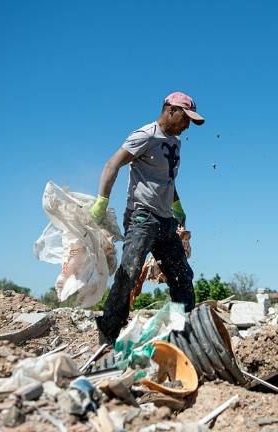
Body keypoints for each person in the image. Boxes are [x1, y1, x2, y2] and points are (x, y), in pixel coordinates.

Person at [89, 91, 205, 345]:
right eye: (186, 119)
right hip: (142, 217)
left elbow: (167, 179)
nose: (187, 126)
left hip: (166, 221)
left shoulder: (175, 143)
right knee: (129, 272)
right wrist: (102, 201)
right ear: (171, 110)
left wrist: (177, 206)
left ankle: (180, 335)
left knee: (182, 278)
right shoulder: (145, 135)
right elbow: (112, 164)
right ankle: (108, 332)